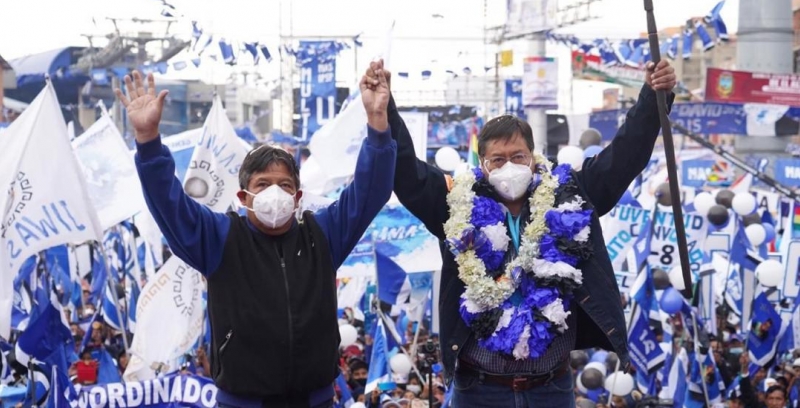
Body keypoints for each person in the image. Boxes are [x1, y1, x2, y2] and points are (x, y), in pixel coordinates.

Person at [367, 58, 676, 407]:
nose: (509, 167)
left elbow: (623, 157)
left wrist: (653, 97)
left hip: (551, 388)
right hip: (478, 390)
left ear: (533, 157)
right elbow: (407, 173)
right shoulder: (454, 202)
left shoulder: (569, 194)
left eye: (518, 156)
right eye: (498, 160)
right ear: (482, 166)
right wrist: (384, 114)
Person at [115, 69, 396, 408]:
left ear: (298, 197)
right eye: (263, 184)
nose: (275, 193)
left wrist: (378, 120)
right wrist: (148, 141)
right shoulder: (219, 238)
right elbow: (169, 205)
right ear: (243, 196)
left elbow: (370, 191)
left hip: (316, 401)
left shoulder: (321, 235)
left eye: (285, 185)